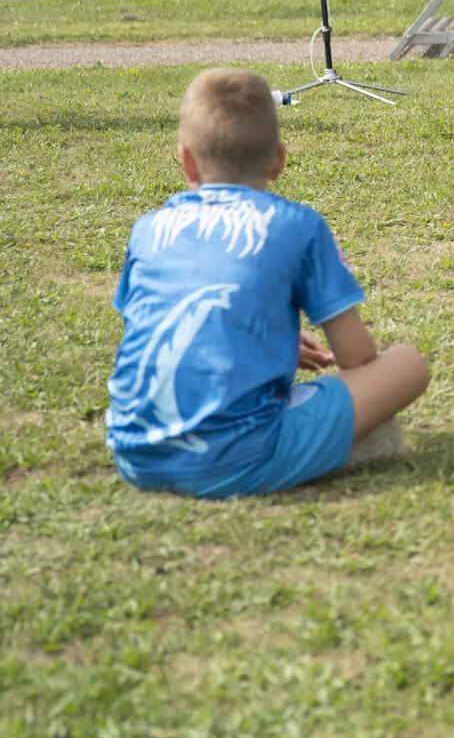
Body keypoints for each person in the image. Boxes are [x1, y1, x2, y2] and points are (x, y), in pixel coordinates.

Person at [106, 68, 430, 499]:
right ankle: (325, 451)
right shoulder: (299, 226)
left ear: (186, 159)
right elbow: (356, 357)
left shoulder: (149, 229)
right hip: (238, 458)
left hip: (134, 455)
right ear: (279, 159)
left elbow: (154, 329)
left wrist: (260, 339)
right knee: (407, 363)